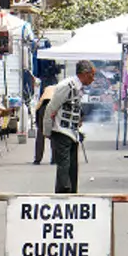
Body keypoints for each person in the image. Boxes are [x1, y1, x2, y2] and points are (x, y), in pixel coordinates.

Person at [44, 60, 96, 194]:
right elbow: (51, 107)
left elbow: (73, 105)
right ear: (84, 74)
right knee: (64, 167)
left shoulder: (78, 87)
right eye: (91, 75)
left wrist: (79, 117)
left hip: (72, 133)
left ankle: (72, 194)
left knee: (72, 167)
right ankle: (63, 195)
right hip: (61, 131)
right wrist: (47, 130)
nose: (93, 79)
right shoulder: (67, 86)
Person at [33, 81, 57, 165]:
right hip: (52, 108)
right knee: (54, 134)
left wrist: (37, 123)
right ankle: (54, 159)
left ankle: (37, 159)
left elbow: (38, 106)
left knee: (40, 135)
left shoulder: (45, 91)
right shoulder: (58, 89)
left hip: (42, 109)